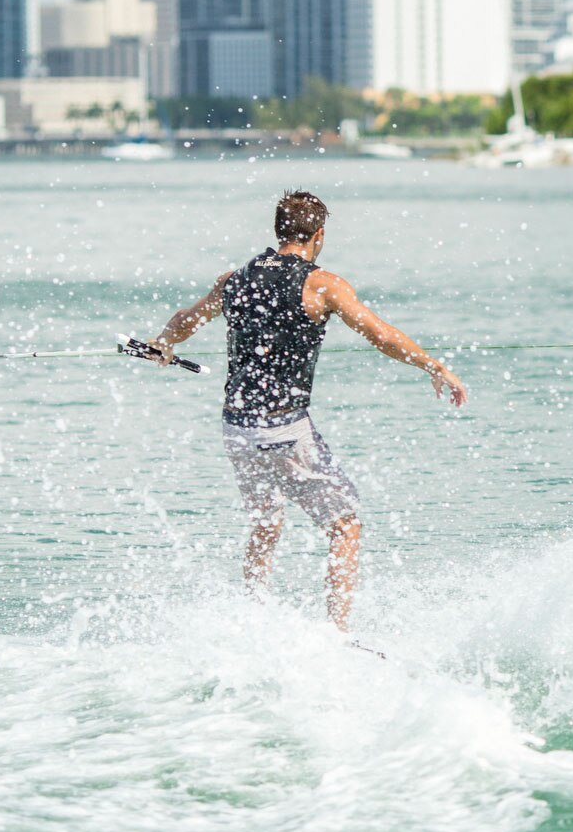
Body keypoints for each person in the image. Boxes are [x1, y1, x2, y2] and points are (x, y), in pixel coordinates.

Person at [143, 190, 468, 629]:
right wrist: (434, 365)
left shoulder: (235, 279)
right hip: (286, 430)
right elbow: (381, 335)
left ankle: (253, 616)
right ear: (318, 234)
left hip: (237, 429)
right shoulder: (322, 284)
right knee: (345, 524)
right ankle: (338, 632)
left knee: (265, 523)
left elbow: (187, 319)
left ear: (278, 232)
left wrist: (163, 344)